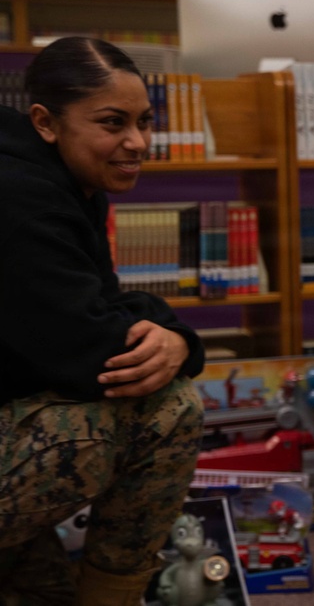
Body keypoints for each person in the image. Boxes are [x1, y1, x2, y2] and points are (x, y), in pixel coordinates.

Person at [0, 36, 205, 605]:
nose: (137, 142)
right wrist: (173, 334)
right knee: (167, 409)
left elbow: (99, 306)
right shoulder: (17, 197)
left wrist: (173, 336)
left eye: (144, 121)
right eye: (112, 123)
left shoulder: (66, 183)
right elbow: (94, 356)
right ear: (45, 122)